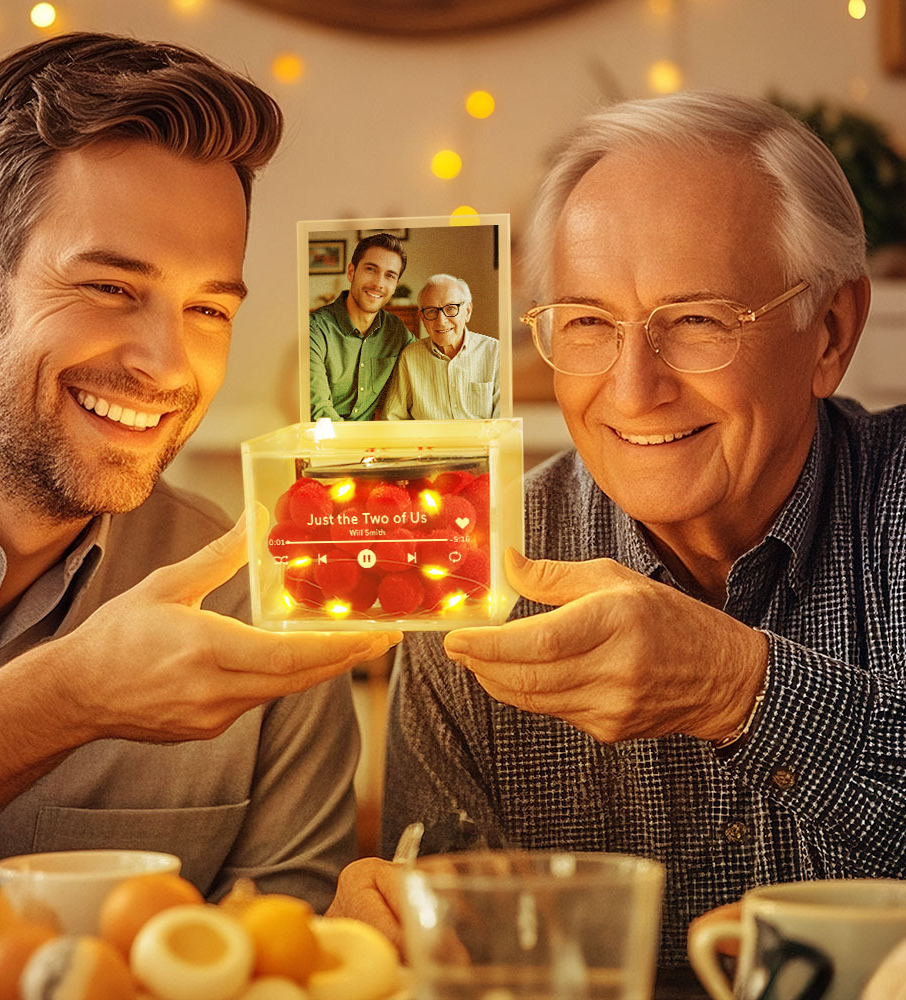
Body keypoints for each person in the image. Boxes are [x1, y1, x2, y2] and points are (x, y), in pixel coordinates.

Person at [352, 92, 906, 971]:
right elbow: (467, 960)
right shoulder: (475, 562)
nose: (633, 387)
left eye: (697, 321)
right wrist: (403, 935)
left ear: (830, 332)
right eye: (587, 324)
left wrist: (743, 692)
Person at [0, 33, 401, 949]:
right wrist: (69, 698)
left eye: (209, 308)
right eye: (108, 287)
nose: (168, 367)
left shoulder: (258, 597)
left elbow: (277, 957)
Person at [308, 233, 414, 421]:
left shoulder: (396, 332)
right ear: (351, 271)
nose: (379, 283)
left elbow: (426, 362)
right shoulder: (315, 329)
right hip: (327, 443)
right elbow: (320, 412)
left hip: (371, 444)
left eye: (389, 275)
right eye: (371, 269)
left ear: (395, 285)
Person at [383, 274, 500, 420]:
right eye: (431, 311)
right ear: (422, 317)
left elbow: (504, 423)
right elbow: (394, 418)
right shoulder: (410, 357)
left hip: (482, 443)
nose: (442, 321)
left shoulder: (495, 352)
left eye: (451, 308)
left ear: (467, 312)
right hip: (426, 443)